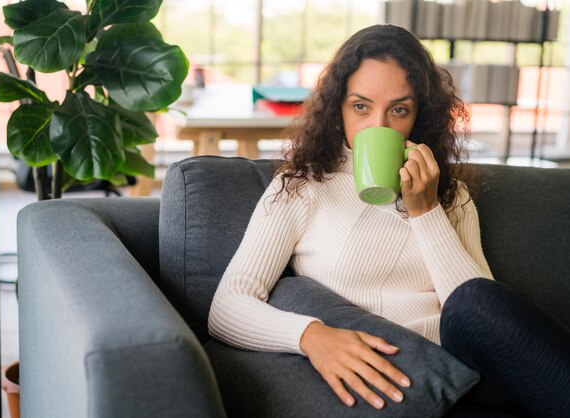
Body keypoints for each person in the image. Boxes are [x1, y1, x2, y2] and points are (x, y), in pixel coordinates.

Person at [208, 24, 570, 417]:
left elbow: (478, 316)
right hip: (407, 388)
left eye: (399, 110)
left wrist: (426, 210)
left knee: (478, 299)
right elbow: (227, 307)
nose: (378, 127)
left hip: (478, 374)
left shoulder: (451, 196)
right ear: (337, 108)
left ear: (419, 116)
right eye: (361, 106)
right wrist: (312, 337)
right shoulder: (302, 187)